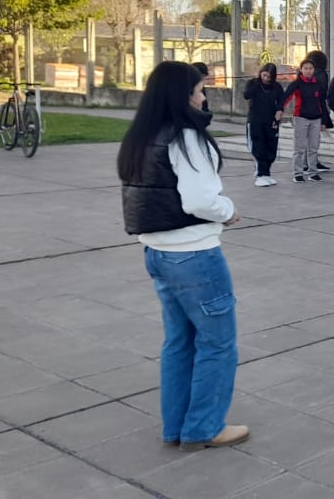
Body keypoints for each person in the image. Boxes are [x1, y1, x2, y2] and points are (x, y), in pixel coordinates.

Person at [118, 61, 247, 451]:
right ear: (182, 94)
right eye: (199, 90)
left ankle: (177, 426)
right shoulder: (187, 137)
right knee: (218, 343)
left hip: (158, 252)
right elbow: (200, 200)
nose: (203, 96)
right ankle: (205, 427)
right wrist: (228, 210)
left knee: (179, 342)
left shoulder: (141, 137)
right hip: (194, 256)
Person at [281, 59, 330, 183]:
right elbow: (286, 97)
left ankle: (313, 172)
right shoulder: (297, 83)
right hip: (301, 118)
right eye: (306, 68)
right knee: (299, 148)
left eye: (311, 68)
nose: (308, 71)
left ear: (314, 70)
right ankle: (298, 173)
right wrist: (279, 110)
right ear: (301, 70)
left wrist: (324, 121)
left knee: (313, 148)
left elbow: (322, 103)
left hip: (316, 119)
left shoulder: (318, 83)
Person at [243, 63, 284, 186]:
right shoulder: (253, 83)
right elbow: (246, 95)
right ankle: (260, 174)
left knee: (271, 148)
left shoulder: (276, 87)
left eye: (269, 77)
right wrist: (257, 82)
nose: (266, 79)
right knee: (258, 147)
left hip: (271, 121)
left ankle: (266, 173)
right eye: (264, 75)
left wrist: (280, 110)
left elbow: (281, 100)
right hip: (255, 120)